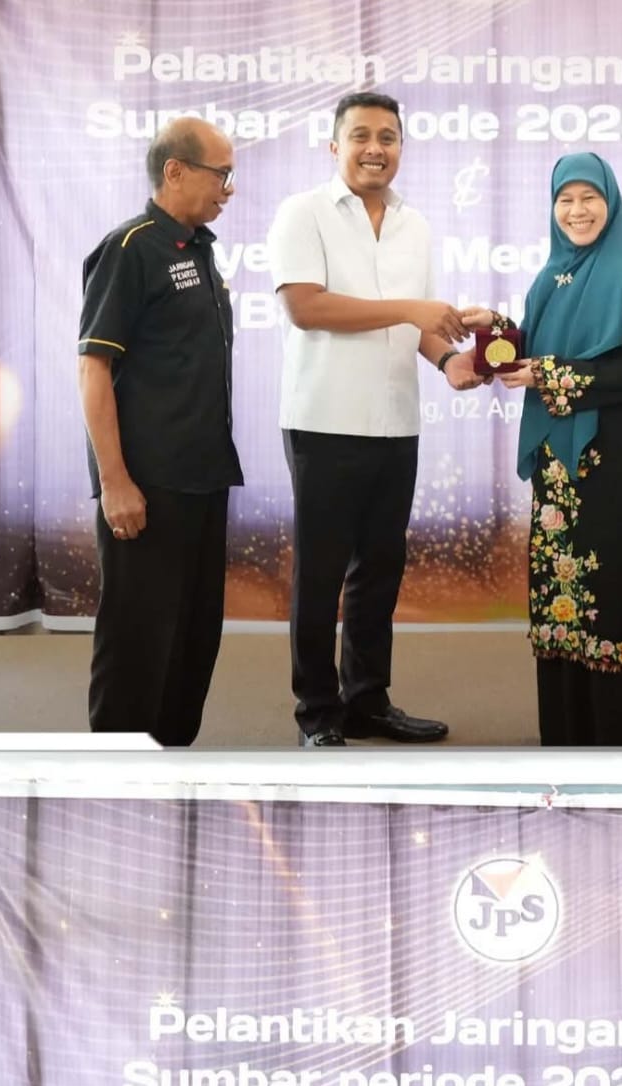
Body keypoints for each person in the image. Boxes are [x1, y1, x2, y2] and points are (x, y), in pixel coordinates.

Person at [267, 90, 488, 747]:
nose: (374, 148)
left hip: (395, 420)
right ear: (334, 145)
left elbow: (423, 325)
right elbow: (307, 307)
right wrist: (411, 311)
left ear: (400, 147)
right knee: (320, 574)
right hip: (324, 419)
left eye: (387, 137)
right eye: (360, 135)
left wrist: (449, 360)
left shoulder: (413, 224)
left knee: (379, 571)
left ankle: (366, 700)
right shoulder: (302, 212)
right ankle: (316, 712)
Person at [472, 151, 622, 745]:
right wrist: (498, 331)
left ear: (612, 202)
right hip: (564, 474)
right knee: (570, 596)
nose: (577, 211)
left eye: (589, 198)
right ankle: (575, 731)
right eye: (565, 199)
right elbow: (545, 348)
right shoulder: (550, 279)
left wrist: (551, 374)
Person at [78, 115, 243, 746]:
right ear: (175, 171)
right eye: (220, 174)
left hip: (203, 478)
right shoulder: (130, 248)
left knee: (194, 637)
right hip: (147, 486)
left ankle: (174, 763)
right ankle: (119, 777)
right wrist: (114, 483)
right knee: (137, 639)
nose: (228, 188)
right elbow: (93, 369)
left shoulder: (199, 250)